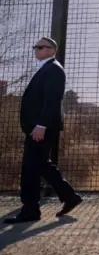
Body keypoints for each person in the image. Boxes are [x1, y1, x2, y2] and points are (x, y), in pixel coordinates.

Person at [4, 37, 82, 224]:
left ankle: (30, 210)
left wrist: (41, 125)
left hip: (42, 127)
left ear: (51, 50)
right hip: (38, 127)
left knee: (31, 167)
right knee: (40, 164)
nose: (36, 49)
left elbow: (52, 101)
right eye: (36, 46)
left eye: (40, 47)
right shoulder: (46, 69)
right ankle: (69, 196)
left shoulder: (54, 69)